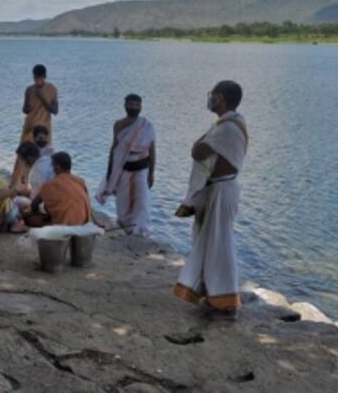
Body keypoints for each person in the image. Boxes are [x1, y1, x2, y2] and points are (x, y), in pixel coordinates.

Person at [174, 81, 248, 318]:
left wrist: (200, 142)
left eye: (213, 95)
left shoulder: (227, 128)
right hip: (218, 190)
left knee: (220, 245)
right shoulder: (227, 123)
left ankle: (227, 303)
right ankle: (209, 292)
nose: (210, 99)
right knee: (207, 242)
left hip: (222, 190)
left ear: (222, 98)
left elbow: (197, 151)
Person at [95, 94, 156, 236]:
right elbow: (114, 148)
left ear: (141, 107)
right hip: (123, 169)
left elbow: (152, 150)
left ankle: (139, 230)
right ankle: (126, 227)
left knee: (141, 203)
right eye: (131, 104)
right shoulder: (118, 125)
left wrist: (152, 173)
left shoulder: (147, 125)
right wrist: (110, 170)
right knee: (123, 203)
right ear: (125, 105)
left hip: (141, 170)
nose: (134, 107)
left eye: (136, 105)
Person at [27, 152, 92, 227]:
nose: (52, 168)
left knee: (30, 219)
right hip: (83, 222)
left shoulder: (50, 184)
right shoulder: (80, 181)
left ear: (57, 167)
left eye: (53, 165)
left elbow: (34, 204)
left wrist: (34, 212)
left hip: (65, 224)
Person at [21, 64, 59, 143]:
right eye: (35, 77)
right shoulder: (29, 90)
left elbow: (55, 111)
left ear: (44, 76)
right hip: (29, 126)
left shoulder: (52, 89)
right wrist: (28, 108)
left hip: (43, 129)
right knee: (25, 152)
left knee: (43, 152)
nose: (37, 80)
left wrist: (42, 98)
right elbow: (24, 110)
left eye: (39, 77)